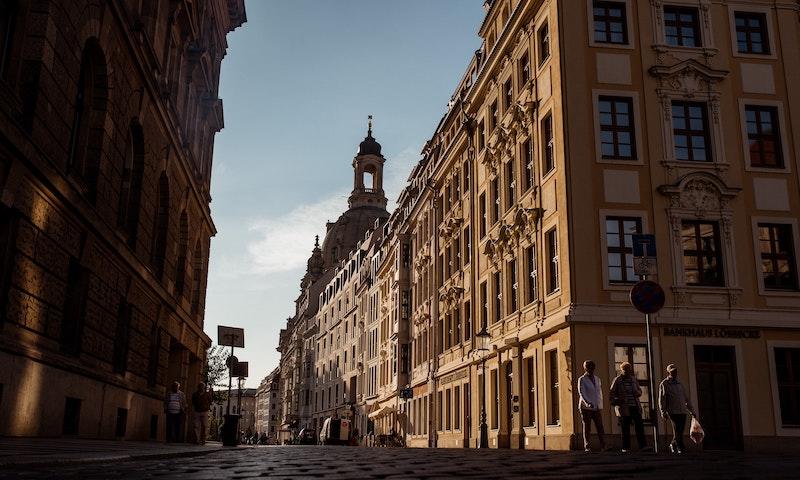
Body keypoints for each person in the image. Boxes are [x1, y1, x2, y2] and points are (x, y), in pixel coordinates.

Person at [609, 362, 646, 452]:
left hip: (635, 406)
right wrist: (618, 400)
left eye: (628, 370)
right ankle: (626, 447)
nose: (627, 372)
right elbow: (611, 393)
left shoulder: (633, 379)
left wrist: (637, 393)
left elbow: (639, 391)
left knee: (639, 425)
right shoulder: (617, 380)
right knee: (625, 428)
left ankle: (643, 446)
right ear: (622, 370)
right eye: (625, 370)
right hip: (624, 407)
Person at [659, 364, 695, 454]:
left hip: (682, 410)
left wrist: (691, 410)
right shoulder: (664, 384)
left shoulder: (680, 384)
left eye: (675, 371)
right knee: (677, 429)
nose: (675, 373)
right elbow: (662, 399)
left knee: (680, 430)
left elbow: (686, 398)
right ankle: (680, 447)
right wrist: (663, 411)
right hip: (673, 410)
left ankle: (673, 444)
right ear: (668, 372)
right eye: (672, 371)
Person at [577, 360, 606, 452]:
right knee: (587, 427)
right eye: (588, 367)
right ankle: (587, 446)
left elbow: (598, 392)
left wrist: (599, 404)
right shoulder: (582, 379)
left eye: (592, 367)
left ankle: (603, 446)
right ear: (585, 368)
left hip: (596, 406)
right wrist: (587, 402)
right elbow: (581, 392)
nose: (590, 369)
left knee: (600, 426)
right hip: (586, 407)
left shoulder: (597, 379)